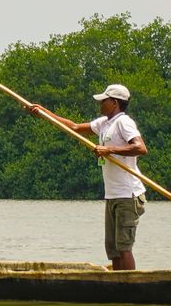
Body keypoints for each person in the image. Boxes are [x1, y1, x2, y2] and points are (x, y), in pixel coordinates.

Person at [30, 83, 147, 271]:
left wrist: (109, 149)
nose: (100, 104)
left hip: (128, 194)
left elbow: (140, 148)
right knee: (113, 249)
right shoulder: (104, 123)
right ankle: (117, 285)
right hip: (113, 194)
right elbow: (74, 127)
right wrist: (44, 112)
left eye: (104, 101)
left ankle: (130, 286)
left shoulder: (123, 122)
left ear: (115, 103)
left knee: (124, 246)